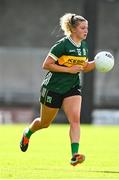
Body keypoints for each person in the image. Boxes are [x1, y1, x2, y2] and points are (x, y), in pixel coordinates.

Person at [20, 13, 95, 166]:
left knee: (75, 120)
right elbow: (46, 65)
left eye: (87, 28)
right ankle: (27, 133)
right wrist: (69, 70)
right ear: (73, 29)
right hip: (53, 88)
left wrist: (99, 63)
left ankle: (75, 155)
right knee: (44, 123)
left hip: (72, 87)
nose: (86, 30)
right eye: (82, 28)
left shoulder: (84, 46)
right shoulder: (62, 45)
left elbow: (84, 68)